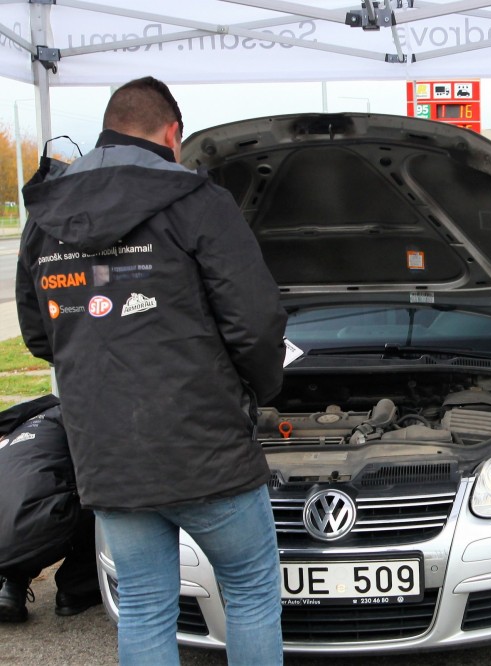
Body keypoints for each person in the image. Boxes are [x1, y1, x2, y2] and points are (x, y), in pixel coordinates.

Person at [15, 76, 288, 664]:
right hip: (207, 449)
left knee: (142, 606)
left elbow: (41, 335)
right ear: (172, 134)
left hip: (108, 453)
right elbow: (256, 322)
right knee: (251, 592)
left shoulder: (46, 214)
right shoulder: (196, 200)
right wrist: (260, 391)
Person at [0, 396, 101, 623]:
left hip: (8, 532)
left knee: (23, 503)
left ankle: (10, 589)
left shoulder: (17, 431)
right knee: (102, 499)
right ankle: (75, 590)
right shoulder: (75, 419)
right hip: (32, 530)